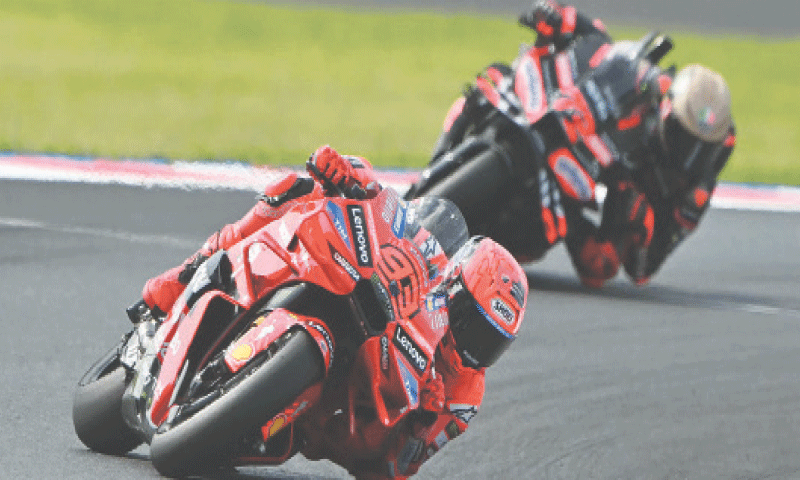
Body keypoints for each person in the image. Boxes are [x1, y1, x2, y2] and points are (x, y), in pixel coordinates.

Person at [127, 145, 529, 479]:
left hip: (332, 423)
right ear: (453, 288)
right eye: (473, 325)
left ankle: (245, 411)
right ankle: (177, 281)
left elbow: (396, 469)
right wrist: (350, 174)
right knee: (295, 191)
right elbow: (390, 210)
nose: (475, 347)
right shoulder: (431, 268)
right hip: (354, 295)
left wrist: (420, 426)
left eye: (491, 343)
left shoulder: (462, 399)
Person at [434, 1, 735, 289]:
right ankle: (438, 159)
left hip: (599, 185)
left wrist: (632, 218)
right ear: (668, 114)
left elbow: (643, 267)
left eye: (701, 148)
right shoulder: (659, 90)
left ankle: (518, 238)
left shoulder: (696, 188)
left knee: (598, 262)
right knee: (491, 82)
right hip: (574, 132)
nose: (689, 154)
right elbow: (609, 48)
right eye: (684, 139)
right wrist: (562, 18)